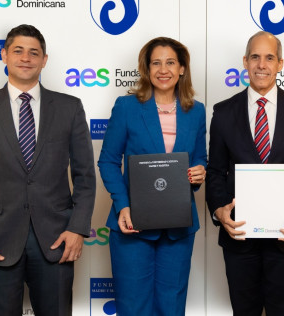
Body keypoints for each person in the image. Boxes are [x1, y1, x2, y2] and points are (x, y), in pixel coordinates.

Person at [0, 24, 95, 315]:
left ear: (44, 60)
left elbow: (85, 177)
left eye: (34, 52)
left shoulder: (70, 107)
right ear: (4, 55)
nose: (26, 58)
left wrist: (77, 228)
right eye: (18, 51)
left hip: (57, 240)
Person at [205, 31, 284, 316]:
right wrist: (220, 211)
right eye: (255, 57)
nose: (262, 64)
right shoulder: (223, 113)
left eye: (269, 57)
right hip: (239, 235)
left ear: (280, 63)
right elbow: (215, 172)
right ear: (245, 62)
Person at [97, 37, 207, 316]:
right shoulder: (127, 107)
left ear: (182, 68)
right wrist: (123, 205)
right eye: (155, 63)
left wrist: (199, 172)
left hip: (178, 227)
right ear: (146, 69)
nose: (163, 69)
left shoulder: (196, 111)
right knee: (133, 305)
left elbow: (198, 158)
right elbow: (108, 161)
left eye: (170, 62)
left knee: (172, 305)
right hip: (133, 223)